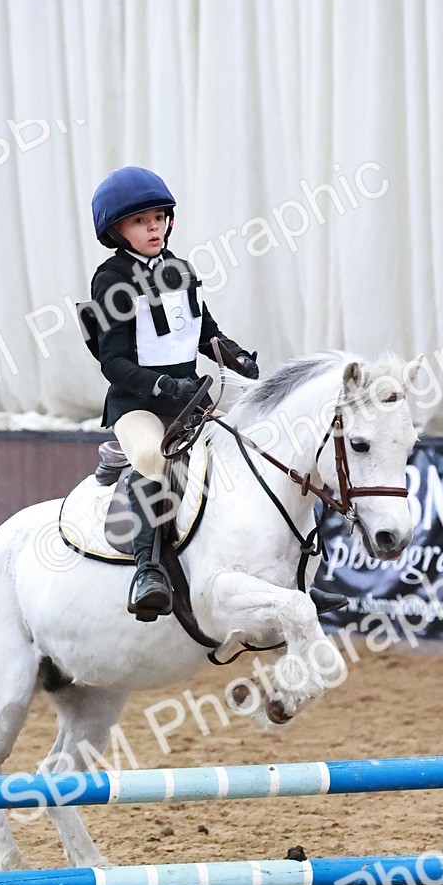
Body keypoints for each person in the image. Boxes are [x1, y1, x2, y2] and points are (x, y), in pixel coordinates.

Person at [88, 166, 259, 621]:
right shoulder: (110, 280)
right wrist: (162, 384)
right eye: (141, 221)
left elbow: (205, 332)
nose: (154, 228)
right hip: (138, 404)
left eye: (159, 218)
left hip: (190, 397)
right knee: (152, 459)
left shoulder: (180, 269)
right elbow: (113, 362)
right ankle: (148, 569)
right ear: (117, 230)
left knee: (256, 429)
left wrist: (234, 355)